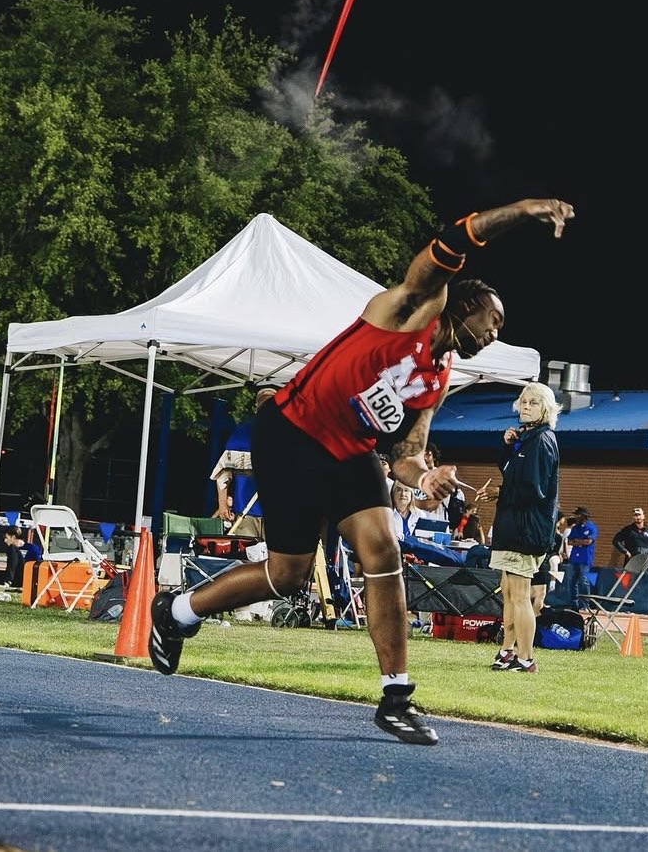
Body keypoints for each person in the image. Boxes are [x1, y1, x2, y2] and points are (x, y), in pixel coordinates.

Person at [148, 197, 575, 744]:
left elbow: (407, 454)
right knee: (288, 576)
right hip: (294, 433)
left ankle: (396, 696)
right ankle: (179, 609)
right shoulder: (411, 307)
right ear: (462, 306)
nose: (496, 331)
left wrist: (424, 479)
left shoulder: (435, 381)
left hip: (350, 452)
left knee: (383, 549)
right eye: (492, 319)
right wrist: (523, 210)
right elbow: (457, 237)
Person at [488, 382, 562, 674]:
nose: (526, 406)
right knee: (508, 592)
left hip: (526, 530)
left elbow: (533, 490)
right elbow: (512, 474)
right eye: (523, 401)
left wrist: (499, 493)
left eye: (533, 402)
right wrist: (507, 448)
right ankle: (507, 651)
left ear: (545, 408)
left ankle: (526, 658)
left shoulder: (542, 441)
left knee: (520, 596)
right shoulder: (527, 439)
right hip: (512, 526)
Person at [562, 505, 598, 613]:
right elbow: (569, 541)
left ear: (583, 516)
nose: (576, 517)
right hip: (574, 558)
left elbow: (589, 542)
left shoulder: (591, 527)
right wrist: (581, 542)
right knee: (572, 581)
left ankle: (585, 604)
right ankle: (574, 604)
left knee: (584, 581)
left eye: (578, 515)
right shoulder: (575, 528)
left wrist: (578, 541)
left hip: (585, 559)